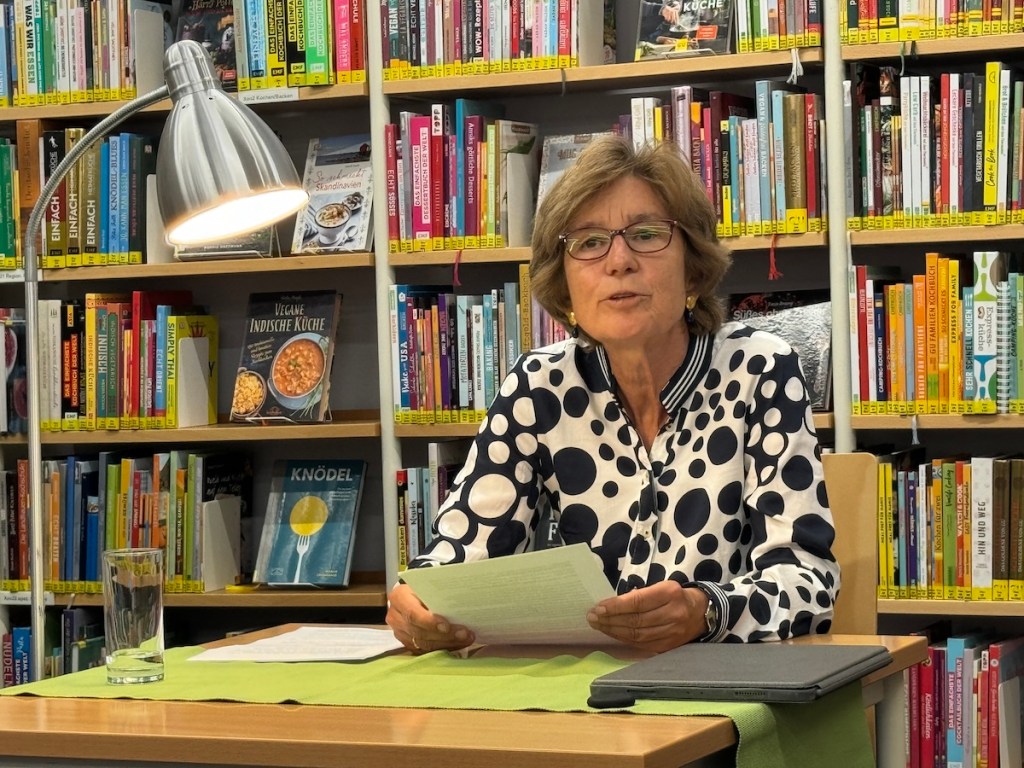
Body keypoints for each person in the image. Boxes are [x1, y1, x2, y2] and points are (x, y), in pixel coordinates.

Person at [386, 134, 840, 654]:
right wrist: (421, 603)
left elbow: (808, 582)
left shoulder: (759, 368)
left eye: (646, 235)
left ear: (693, 270)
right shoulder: (540, 385)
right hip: (584, 686)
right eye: (588, 243)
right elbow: (461, 556)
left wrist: (707, 611)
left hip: (721, 682)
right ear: (565, 287)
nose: (619, 261)